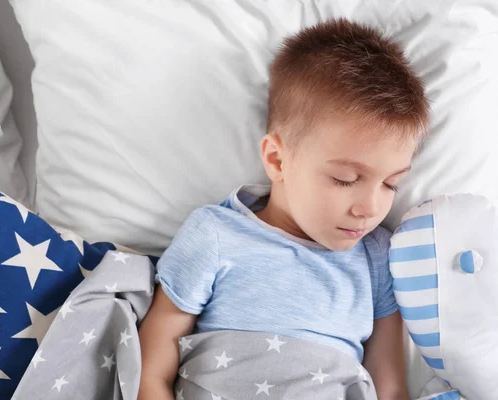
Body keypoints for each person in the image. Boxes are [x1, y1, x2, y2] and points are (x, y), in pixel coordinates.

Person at [138, 17, 429, 400]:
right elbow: (151, 369)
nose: (370, 208)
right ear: (277, 160)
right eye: (344, 178)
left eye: (391, 184)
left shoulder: (376, 259)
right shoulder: (216, 234)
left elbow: (389, 385)